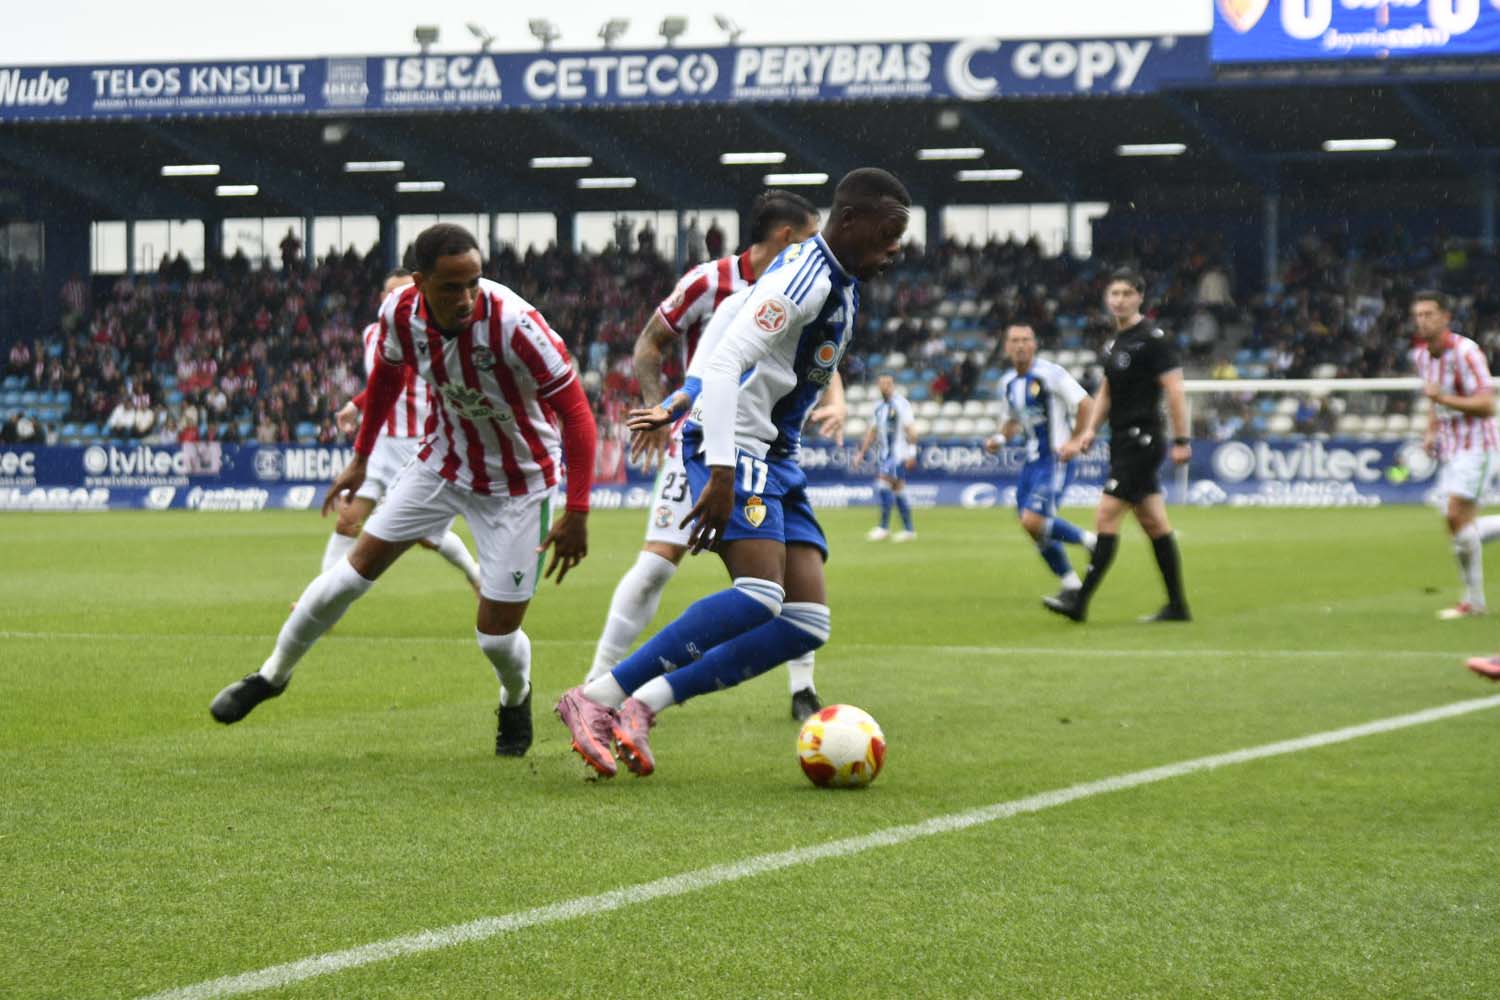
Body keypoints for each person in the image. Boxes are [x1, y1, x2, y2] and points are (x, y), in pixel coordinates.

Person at [556, 167, 911, 779]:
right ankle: (595, 698)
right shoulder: (807, 276)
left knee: (806, 622)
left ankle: (646, 703)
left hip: (776, 453)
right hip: (738, 446)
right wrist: (720, 469)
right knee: (759, 594)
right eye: (886, 235)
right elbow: (726, 362)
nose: (894, 251)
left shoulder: (835, 278)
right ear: (849, 221)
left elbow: (734, 317)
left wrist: (682, 394)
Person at [209, 223, 595, 758]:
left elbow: (577, 413)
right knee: (350, 574)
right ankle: (271, 676)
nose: (465, 299)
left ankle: (515, 693)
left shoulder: (515, 324)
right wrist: (361, 460)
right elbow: (387, 380)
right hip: (441, 463)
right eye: (450, 288)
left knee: (495, 639)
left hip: (520, 484)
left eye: (473, 284)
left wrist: (577, 510)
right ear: (419, 282)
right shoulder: (400, 314)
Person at [584, 191, 831, 723]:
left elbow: (820, 363)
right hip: (700, 439)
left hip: (767, 446)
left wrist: (835, 400)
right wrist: (659, 409)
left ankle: (802, 686)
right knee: (657, 566)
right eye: (813, 236)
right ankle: (596, 683)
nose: (821, 248)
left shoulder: (812, 286)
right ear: (788, 236)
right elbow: (650, 345)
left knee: (790, 582)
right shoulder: (710, 282)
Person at [317, 267, 482, 594]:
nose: (405, 299)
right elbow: (382, 380)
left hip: (415, 443)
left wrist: (359, 403)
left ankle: (475, 575)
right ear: (384, 299)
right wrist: (358, 404)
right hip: (379, 445)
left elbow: (404, 377)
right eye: (396, 292)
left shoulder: (425, 333)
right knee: (347, 519)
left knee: (425, 536)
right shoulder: (370, 334)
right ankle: (322, 595)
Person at [1044, 268, 1192, 624]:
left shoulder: (1153, 339)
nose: (1120, 300)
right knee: (1154, 523)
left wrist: (1182, 439)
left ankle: (1080, 601)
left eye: (1127, 293)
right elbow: (1107, 391)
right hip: (1121, 440)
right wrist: (1089, 431)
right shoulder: (1113, 343)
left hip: (1143, 439)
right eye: (1114, 294)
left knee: (1105, 515)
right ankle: (1177, 606)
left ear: (1140, 297)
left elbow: (1174, 390)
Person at [985, 323, 1096, 598]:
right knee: (1030, 527)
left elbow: (1086, 404)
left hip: (1055, 459)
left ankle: (1093, 542)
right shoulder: (1007, 383)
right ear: (1007, 347)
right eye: (1015, 340)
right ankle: (1070, 583)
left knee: (1033, 521)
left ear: (1034, 344)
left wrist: (1075, 440)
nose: (1021, 345)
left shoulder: (1051, 374)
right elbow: (1012, 421)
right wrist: (998, 440)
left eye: (1026, 339)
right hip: (1032, 462)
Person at [1409, 290, 1500, 619]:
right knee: (1459, 527)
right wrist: (1431, 430)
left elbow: (1487, 406)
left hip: (1479, 445)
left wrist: (1444, 400)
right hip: (1451, 448)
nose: (1423, 320)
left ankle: (1474, 602)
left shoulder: (1467, 352)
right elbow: (1435, 401)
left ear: (1446, 317)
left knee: (1455, 516)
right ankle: (1473, 601)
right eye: (1418, 315)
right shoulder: (1421, 356)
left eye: (1429, 314)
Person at [851, 372, 918, 542]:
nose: (884, 386)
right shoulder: (879, 407)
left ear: (893, 385)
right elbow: (872, 432)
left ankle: (884, 527)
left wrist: (912, 453)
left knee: (882, 484)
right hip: (885, 455)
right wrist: (861, 453)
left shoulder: (901, 404)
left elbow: (911, 430)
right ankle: (909, 530)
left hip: (898, 454)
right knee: (898, 489)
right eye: (881, 383)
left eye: (888, 383)